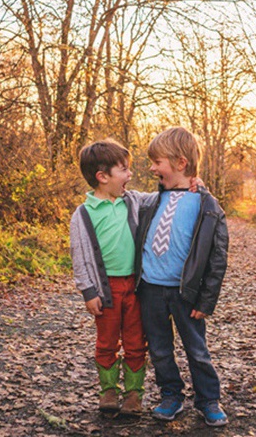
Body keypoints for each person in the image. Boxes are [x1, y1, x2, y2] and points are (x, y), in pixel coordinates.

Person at [136, 127, 230, 427]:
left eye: (157, 162)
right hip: (150, 288)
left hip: (184, 291)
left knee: (196, 349)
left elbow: (217, 259)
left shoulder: (207, 205)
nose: (152, 168)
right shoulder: (152, 201)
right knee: (160, 348)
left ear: (180, 163)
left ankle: (208, 399)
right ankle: (171, 395)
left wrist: (207, 300)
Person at [69, 139, 149, 416]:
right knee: (106, 342)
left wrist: (191, 184)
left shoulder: (134, 201)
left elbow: (164, 196)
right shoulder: (83, 214)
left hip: (135, 287)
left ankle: (134, 394)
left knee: (136, 342)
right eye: (124, 170)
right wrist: (88, 291)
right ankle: (109, 391)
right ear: (102, 177)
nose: (130, 175)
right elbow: (79, 256)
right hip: (106, 290)